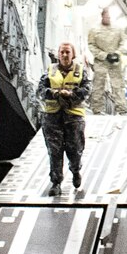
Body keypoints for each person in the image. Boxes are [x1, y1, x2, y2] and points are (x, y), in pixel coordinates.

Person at [37, 40, 89, 194]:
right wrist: (54, 93)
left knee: (75, 149)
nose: (65, 55)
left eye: (68, 52)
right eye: (62, 52)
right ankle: (56, 183)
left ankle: (75, 170)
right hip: (53, 117)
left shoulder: (81, 71)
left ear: (73, 55)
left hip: (74, 118)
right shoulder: (50, 71)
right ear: (58, 54)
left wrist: (71, 95)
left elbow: (86, 90)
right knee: (54, 151)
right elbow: (40, 89)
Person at [86, 7, 127, 115]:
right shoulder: (94, 29)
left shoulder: (118, 29)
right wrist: (104, 55)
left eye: (109, 17)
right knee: (98, 85)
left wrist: (117, 53)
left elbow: (123, 42)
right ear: (102, 16)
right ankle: (97, 109)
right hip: (101, 61)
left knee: (118, 85)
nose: (108, 19)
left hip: (115, 61)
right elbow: (91, 45)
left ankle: (122, 109)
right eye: (106, 17)